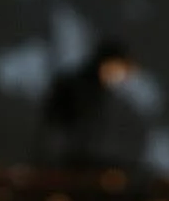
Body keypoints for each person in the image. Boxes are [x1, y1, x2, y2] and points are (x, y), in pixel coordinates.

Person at [35, 38, 137, 166]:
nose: (119, 76)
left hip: (91, 162)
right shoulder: (72, 88)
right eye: (115, 68)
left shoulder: (108, 96)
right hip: (64, 164)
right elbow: (54, 130)